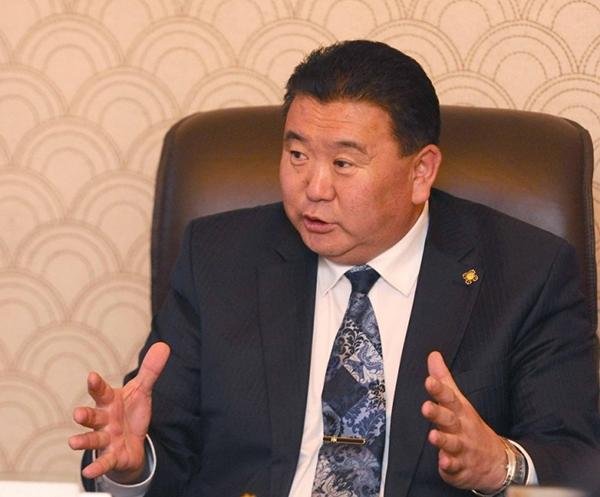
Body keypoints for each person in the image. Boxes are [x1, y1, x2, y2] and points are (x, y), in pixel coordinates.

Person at [68, 40, 600, 497]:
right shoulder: (220, 259)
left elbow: (578, 458)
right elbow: (162, 445)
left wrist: (501, 464)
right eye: (297, 155)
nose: (314, 188)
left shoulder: (526, 273)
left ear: (421, 171)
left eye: (344, 163)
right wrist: (135, 462)